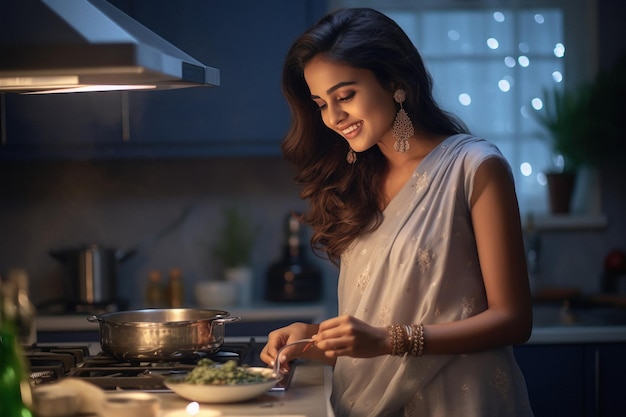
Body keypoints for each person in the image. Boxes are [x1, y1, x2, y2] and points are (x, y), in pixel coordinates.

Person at [260, 7, 534, 417]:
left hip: (460, 402)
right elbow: (375, 327)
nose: (334, 118)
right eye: (320, 103)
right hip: (364, 403)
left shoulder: (473, 168)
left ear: (393, 81)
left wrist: (392, 340)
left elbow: (514, 320)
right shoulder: (352, 182)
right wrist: (313, 339)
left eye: (345, 95)